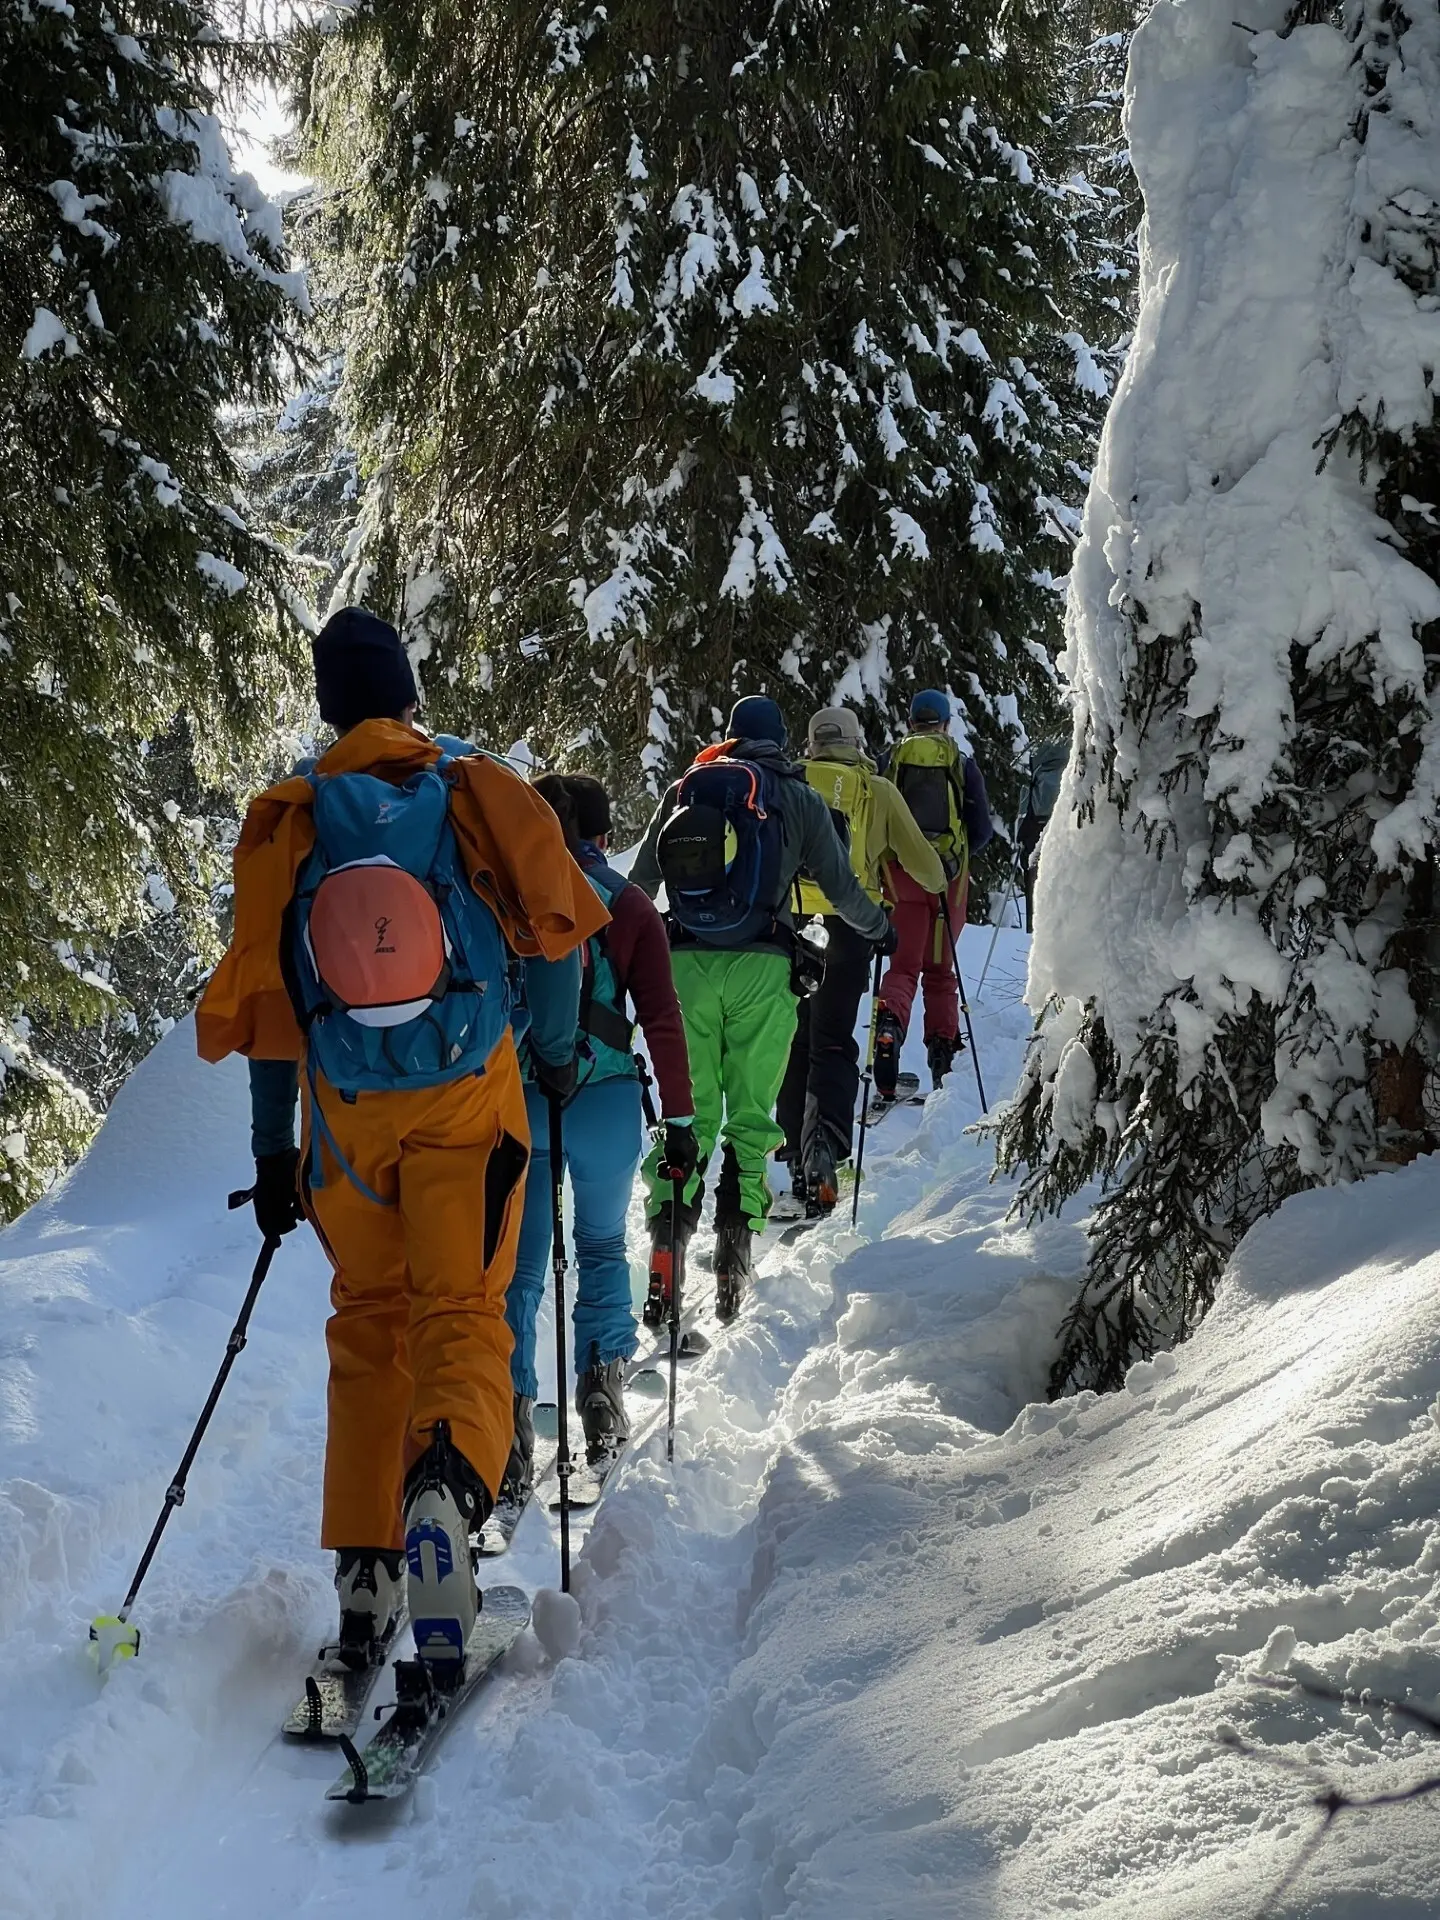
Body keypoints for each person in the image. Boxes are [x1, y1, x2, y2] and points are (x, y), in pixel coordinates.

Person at [195, 606, 607, 1681]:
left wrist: (272, 1152)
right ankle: (449, 1496)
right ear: (409, 693)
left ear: (328, 705)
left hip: (343, 1120)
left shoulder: (291, 817)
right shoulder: (472, 787)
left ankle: (370, 1572)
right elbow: (557, 927)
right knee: (464, 1310)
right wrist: (555, 1054)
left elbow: (268, 1000)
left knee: (368, 1323)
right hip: (469, 1099)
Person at [629, 694, 895, 1319]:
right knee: (750, 1120)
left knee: (685, 1115)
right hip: (765, 972)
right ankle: (732, 1253)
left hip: (685, 969)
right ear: (781, 741)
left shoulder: (688, 789)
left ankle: (667, 1241)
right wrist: (880, 928)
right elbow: (841, 889)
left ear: (729, 736)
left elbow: (641, 883)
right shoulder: (796, 798)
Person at [502, 773, 695, 1494]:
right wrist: (679, 1122)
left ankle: (511, 1425)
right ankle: (601, 1399)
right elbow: (664, 1020)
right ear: (605, 836)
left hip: (523, 1100)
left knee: (520, 1269)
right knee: (603, 1245)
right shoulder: (630, 902)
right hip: (608, 1099)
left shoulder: (510, 893)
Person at [775, 706, 947, 1217]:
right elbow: (929, 870)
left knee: (795, 1040)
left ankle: (792, 1154)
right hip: (850, 927)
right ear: (856, 740)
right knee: (832, 1040)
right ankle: (825, 1149)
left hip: (789, 925)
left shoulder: (789, 782)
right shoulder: (877, 790)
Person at [876, 690, 993, 1097]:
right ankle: (943, 1056)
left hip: (899, 877)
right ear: (945, 723)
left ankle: (889, 1027)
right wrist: (952, 857)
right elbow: (981, 830)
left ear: (911, 721)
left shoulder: (891, 761)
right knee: (940, 973)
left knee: (903, 967)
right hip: (948, 881)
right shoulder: (961, 763)